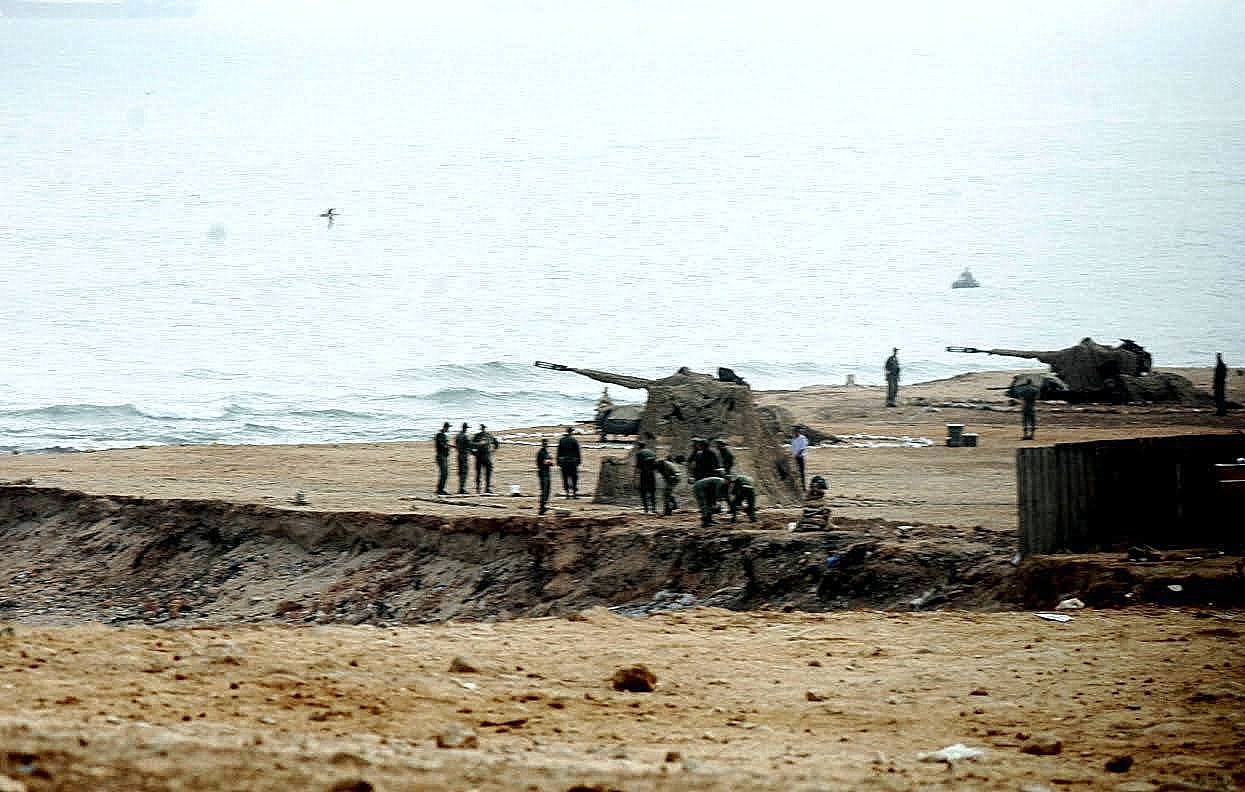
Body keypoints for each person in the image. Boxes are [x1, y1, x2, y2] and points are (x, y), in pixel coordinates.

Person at [472, 424, 499, 493]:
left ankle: (485, 488)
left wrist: (493, 450)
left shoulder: (482, 435)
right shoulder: (484, 435)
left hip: (484, 456)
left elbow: (496, 443)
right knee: (480, 473)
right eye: (482, 428)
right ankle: (480, 488)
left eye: (483, 428)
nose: (483, 429)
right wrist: (474, 453)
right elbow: (471, 445)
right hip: (482, 456)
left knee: (485, 472)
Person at [556, 426, 582, 498]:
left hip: (564, 462)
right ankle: (574, 493)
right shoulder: (574, 440)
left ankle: (567, 493)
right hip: (572, 462)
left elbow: (559, 452)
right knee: (574, 478)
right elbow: (577, 452)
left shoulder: (562, 440)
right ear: (572, 432)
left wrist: (558, 461)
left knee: (565, 477)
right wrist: (579, 461)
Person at [634, 441, 659, 513]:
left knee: (643, 491)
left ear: (639, 446)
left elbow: (638, 466)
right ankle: (654, 508)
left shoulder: (639, 453)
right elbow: (656, 464)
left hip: (644, 474)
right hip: (652, 474)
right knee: (652, 491)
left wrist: (635, 477)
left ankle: (646, 509)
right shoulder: (652, 452)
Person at [536, 438, 554, 514]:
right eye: (545, 443)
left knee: (547, 491)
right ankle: (542, 507)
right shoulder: (541, 452)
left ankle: (543, 506)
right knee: (545, 491)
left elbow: (549, 462)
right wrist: (549, 462)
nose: (546, 445)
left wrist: (549, 461)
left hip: (546, 473)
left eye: (546, 443)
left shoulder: (545, 452)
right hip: (543, 473)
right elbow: (544, 462)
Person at [454, 422, 472, 494]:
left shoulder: (458, 435)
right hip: (464, 455)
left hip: (459, 455)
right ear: (465, 428)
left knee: (460, 471)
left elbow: (456, 444)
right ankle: (462, 488)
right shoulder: (465, 436)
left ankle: (461, 487)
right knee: (464, 472)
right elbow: (469, 445)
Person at [434, 422, 451, 495]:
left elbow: (444, 444)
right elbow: (442, 444)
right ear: (445, 427)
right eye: (448, 428)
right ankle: (440, 490)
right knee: (444, 473)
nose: (448, 429)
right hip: (441, 456)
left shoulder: (442, 435)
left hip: (443, 456)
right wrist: (447, 446)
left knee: (444, 473)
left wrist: (450, 446)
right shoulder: (440, 435)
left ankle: (440, 489)